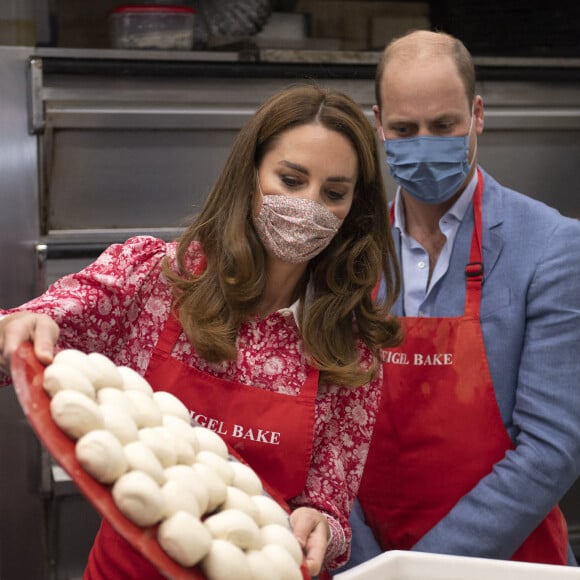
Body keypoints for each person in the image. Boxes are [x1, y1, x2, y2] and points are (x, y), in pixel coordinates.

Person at [0, 84, 402, 578]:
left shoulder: (350, 348)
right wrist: (14, 330)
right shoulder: (153, 279)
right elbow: (18, 339)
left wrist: (320, 525)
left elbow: (330, 512)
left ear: (353, 208)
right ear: (250, 173)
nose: (309, 206)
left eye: (334, 193)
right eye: (291, 180)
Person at [343, 29, 580, 571]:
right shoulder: (349, 254)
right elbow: (325, 428)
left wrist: (423, 569)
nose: (424, 142)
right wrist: (363, 563)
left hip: (507, 564)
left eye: (444, 126)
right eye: (404, 129)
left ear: (476, 115)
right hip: (366, 563)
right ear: (378, 124)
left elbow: (552, 447)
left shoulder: (551, 246)